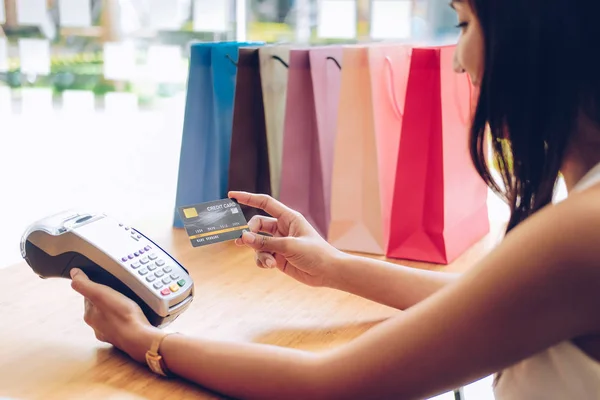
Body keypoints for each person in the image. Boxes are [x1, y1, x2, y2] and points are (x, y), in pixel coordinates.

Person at [68, 0, 600, 398]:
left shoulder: (580, 233)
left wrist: (144, 341)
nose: (459, 62)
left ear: (536, 30)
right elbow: (480, 297)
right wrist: (335, 267)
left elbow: (330, 385)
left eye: (464, 22)